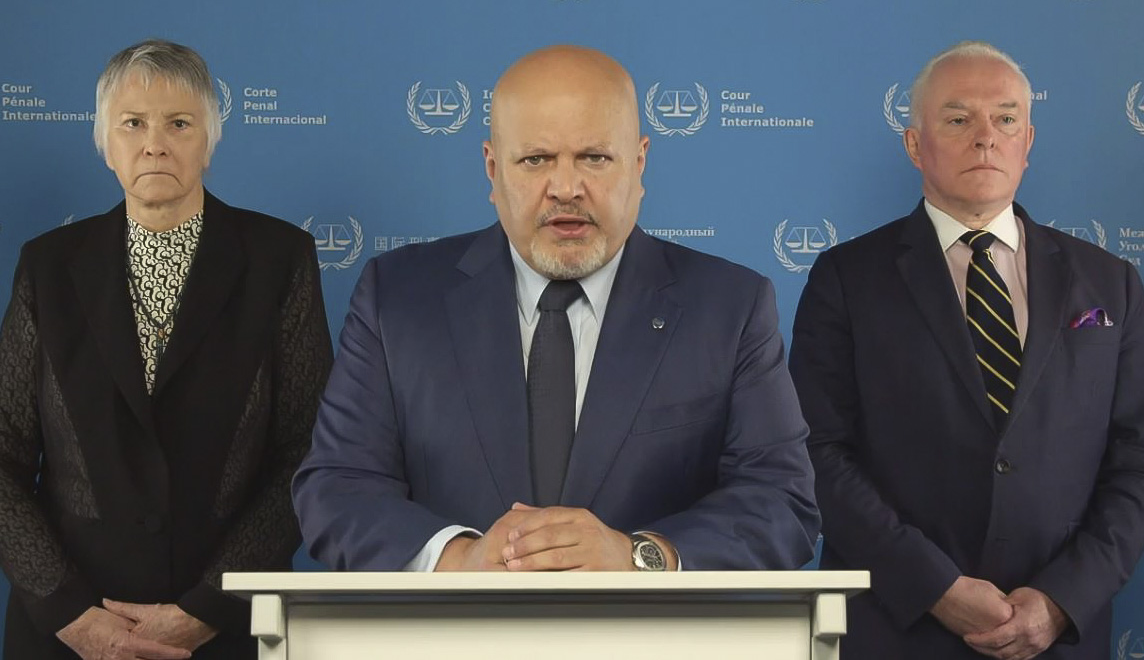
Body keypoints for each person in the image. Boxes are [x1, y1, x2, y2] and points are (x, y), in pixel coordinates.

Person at [292, 45, 818, 574]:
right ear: (493, 169)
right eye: (536, 159)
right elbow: (338, 486)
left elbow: (780, 501)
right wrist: (460, 562)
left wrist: (638, 557)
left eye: (594, 158)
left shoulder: (730, 306)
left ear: (639, 164)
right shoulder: (397, 298)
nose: (566, 189)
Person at [789, 40, 1144, 659]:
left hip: (1058, 639)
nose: (986, 138)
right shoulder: (846, 278)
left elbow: (1135, 461)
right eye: (958, 119)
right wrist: (935, 588)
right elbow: (817, 450)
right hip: (896, 628)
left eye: (1005, 119)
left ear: (1027, 141)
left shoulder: (1110, 282)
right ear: (914, 144)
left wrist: (1062, 599)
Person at [0, 39, 333, 659]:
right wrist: (71, 615)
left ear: (210, 139)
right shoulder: (47, 267)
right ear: (104, 142)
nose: (154, 144)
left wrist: (207, 608)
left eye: (179, 123)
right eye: (132, 123)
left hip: (227, 630)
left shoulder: (279, 259)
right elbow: (3, 457)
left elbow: (307, 451)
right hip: (66, 633)